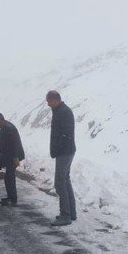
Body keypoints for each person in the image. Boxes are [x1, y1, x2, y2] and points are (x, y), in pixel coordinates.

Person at [46, 90, 76, 226]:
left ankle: (66, 215)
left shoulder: (63, 112)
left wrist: (57, 148)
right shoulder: (60, 110)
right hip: (65, 150)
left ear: (55, 100)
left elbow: (66, 134)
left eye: (49, 101)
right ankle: (71, 213)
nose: (48, 104)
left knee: (59, 183)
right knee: (65, 180)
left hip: (64, 151)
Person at [0, 112, 25, 206]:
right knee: (8, 178)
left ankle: (13, 199)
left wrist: (15, 157)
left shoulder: (9, 128)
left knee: (10, 178)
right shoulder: (5, 127)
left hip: (13, 156)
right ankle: (10, 197)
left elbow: (14, 144)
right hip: (10, 156)